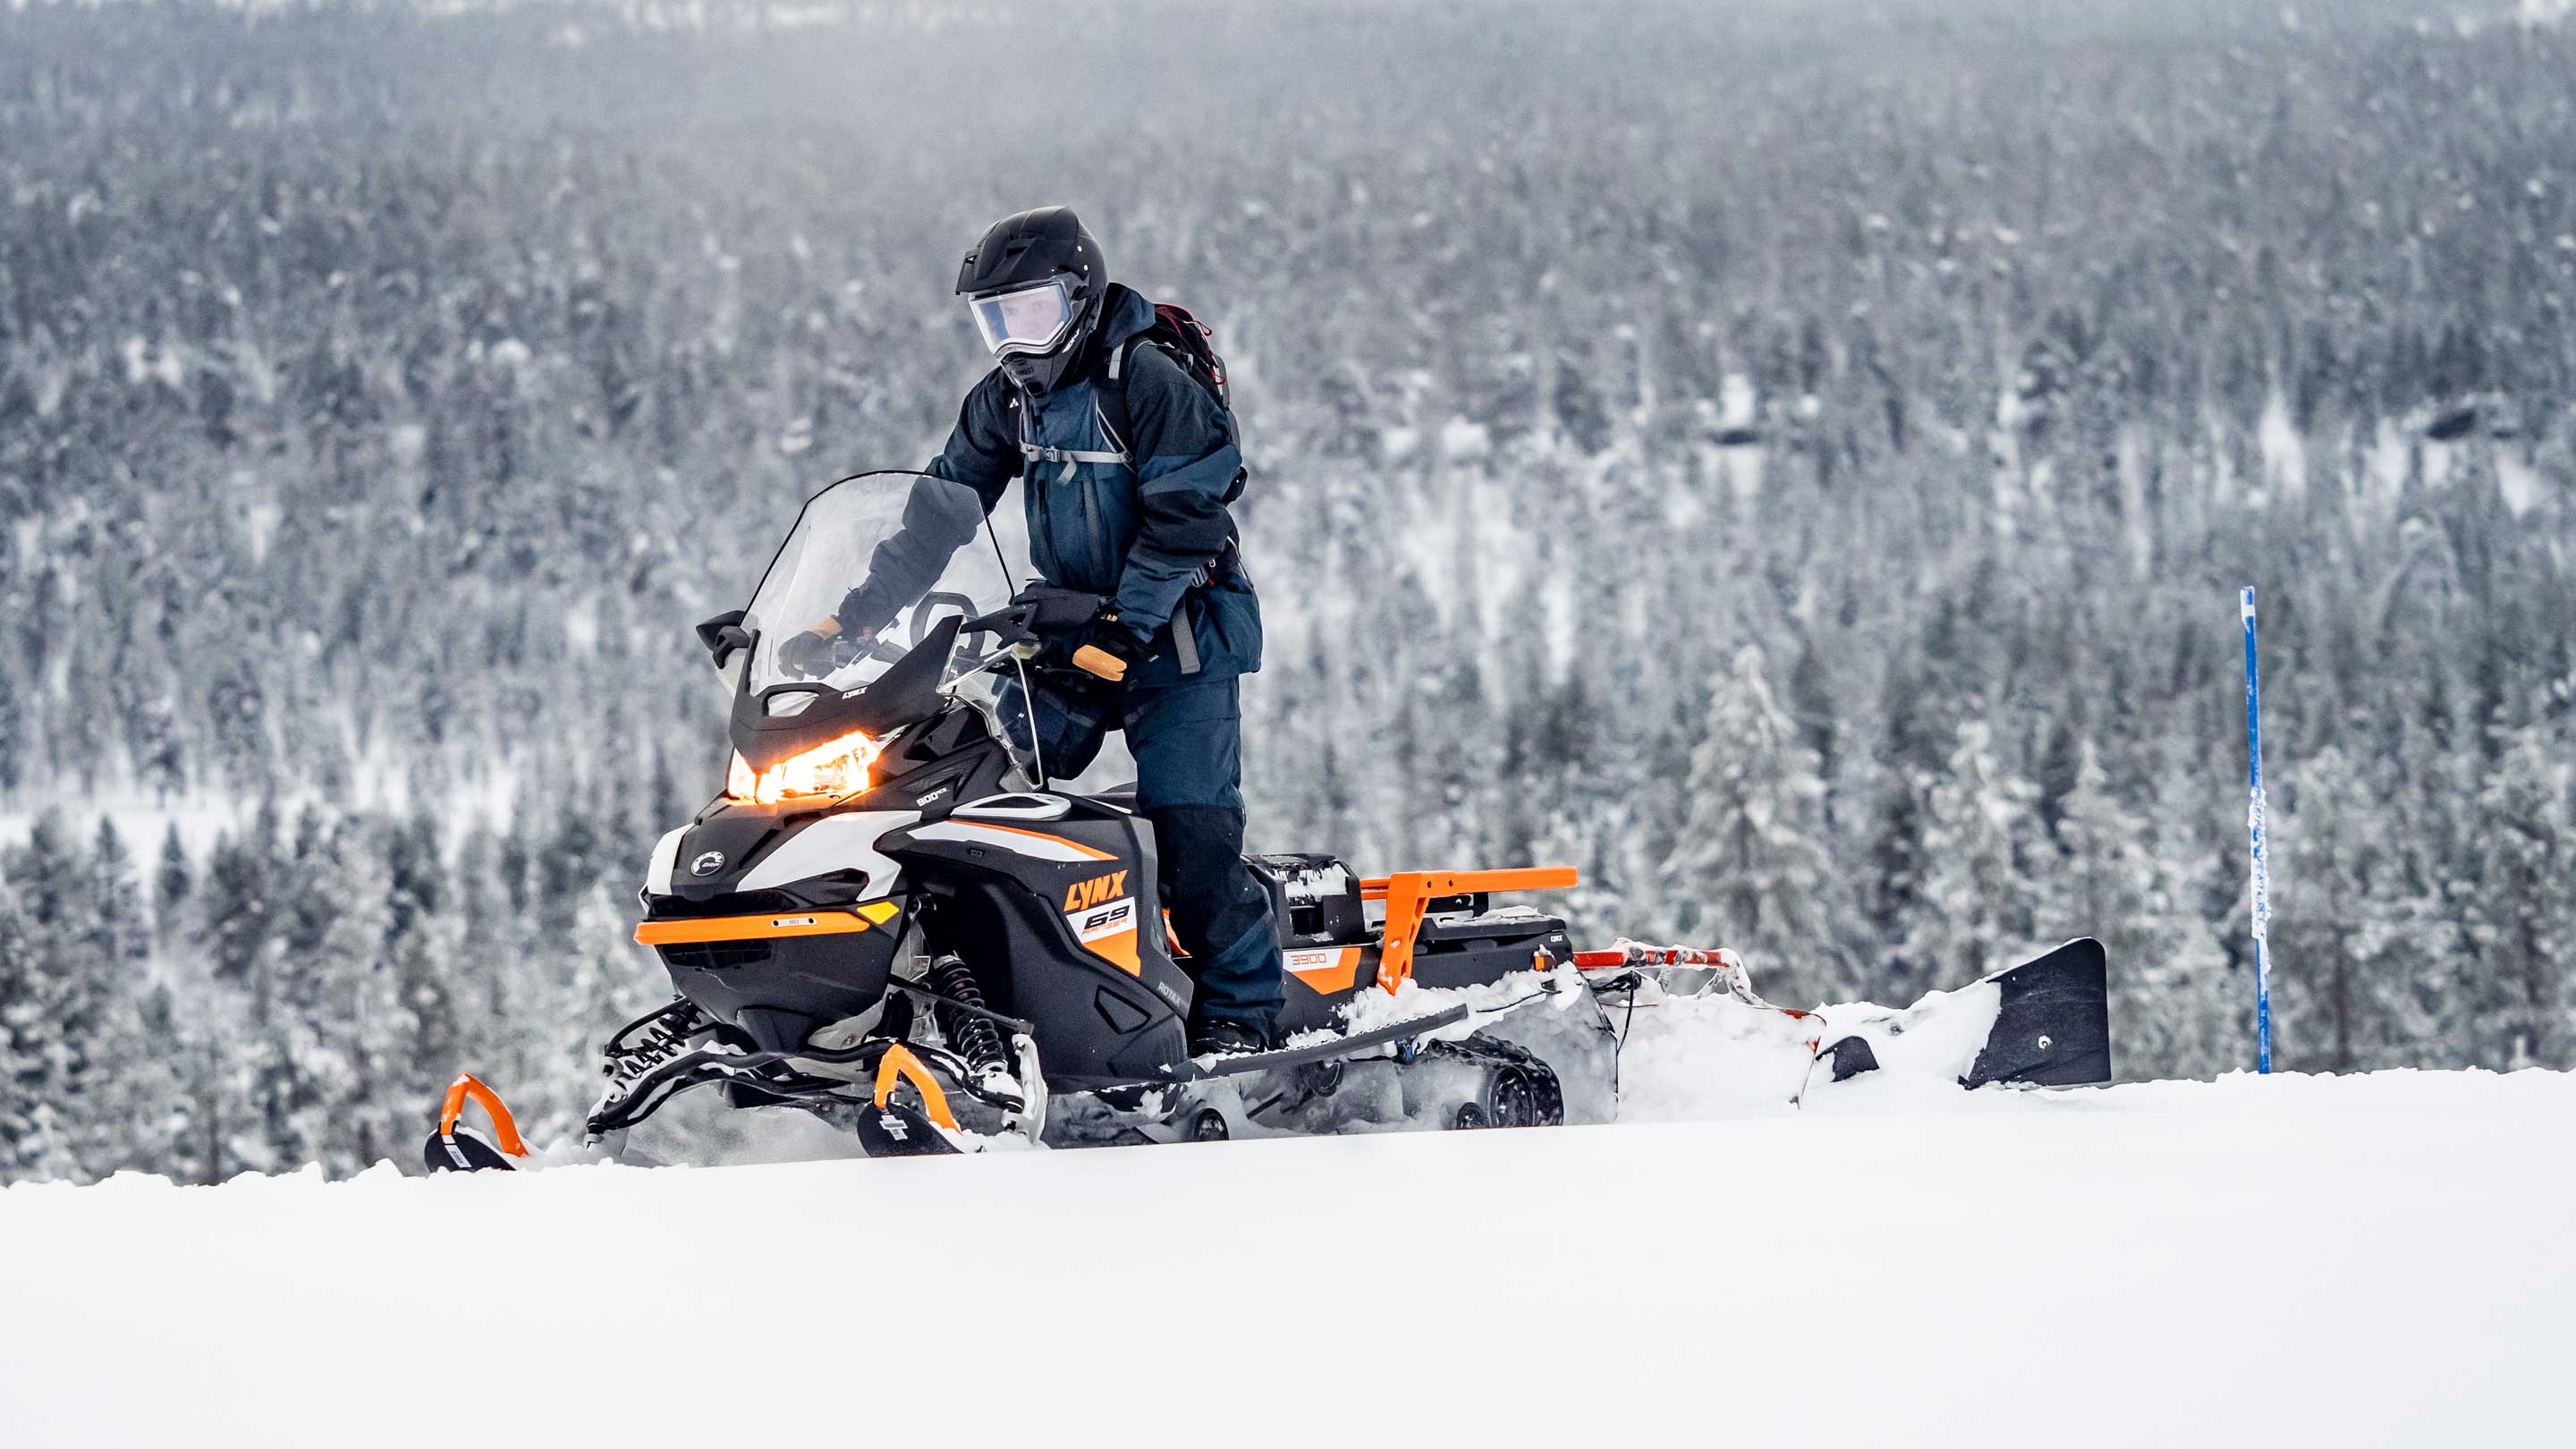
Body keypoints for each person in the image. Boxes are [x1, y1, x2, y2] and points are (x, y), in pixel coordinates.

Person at [782, 206, 1282, 1055]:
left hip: (1180, 637)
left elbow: (1186, 520)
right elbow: (939, 514)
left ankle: (1243, 1016)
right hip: (1071, 635)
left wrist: (1128, 628)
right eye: (994, 322)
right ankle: (984, 992)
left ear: (1078, 298)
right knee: (961, 793)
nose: (1015, 341)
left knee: (1192, 830)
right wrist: (849, 617)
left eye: (1032, 314)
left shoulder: (1147, 379)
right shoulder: (1009, 398)